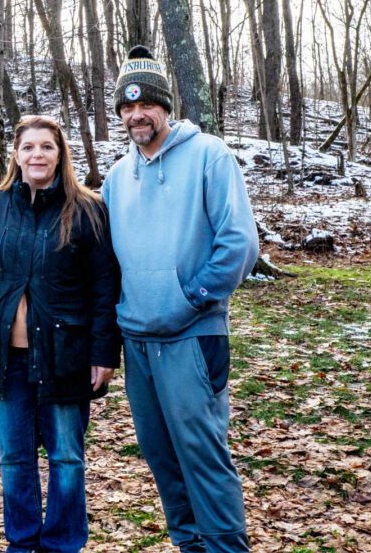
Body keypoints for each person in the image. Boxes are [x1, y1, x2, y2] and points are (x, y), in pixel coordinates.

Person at [102, 45, 259, 552]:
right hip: (138, 341)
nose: (136, 114)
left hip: (193, 334)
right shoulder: (115, 178)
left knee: (202, 453)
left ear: (166, 107)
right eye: (126, 107)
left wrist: (192, 297)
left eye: (146, 104)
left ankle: (225, 547)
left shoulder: (209, 155)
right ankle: (189, 545)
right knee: (161, 456)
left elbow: (239, 244)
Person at [0, 115, 120, 553]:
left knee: (66, 456)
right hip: (3, 355)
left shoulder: (86, 208)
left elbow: (104, 288)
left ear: (60, 154)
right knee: (14, 458)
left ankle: (63, 543)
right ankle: (22, 543)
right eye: (29, 147)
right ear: (16, 154)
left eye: (47, 147)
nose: (37, 155)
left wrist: (104, 353)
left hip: (66, 354)